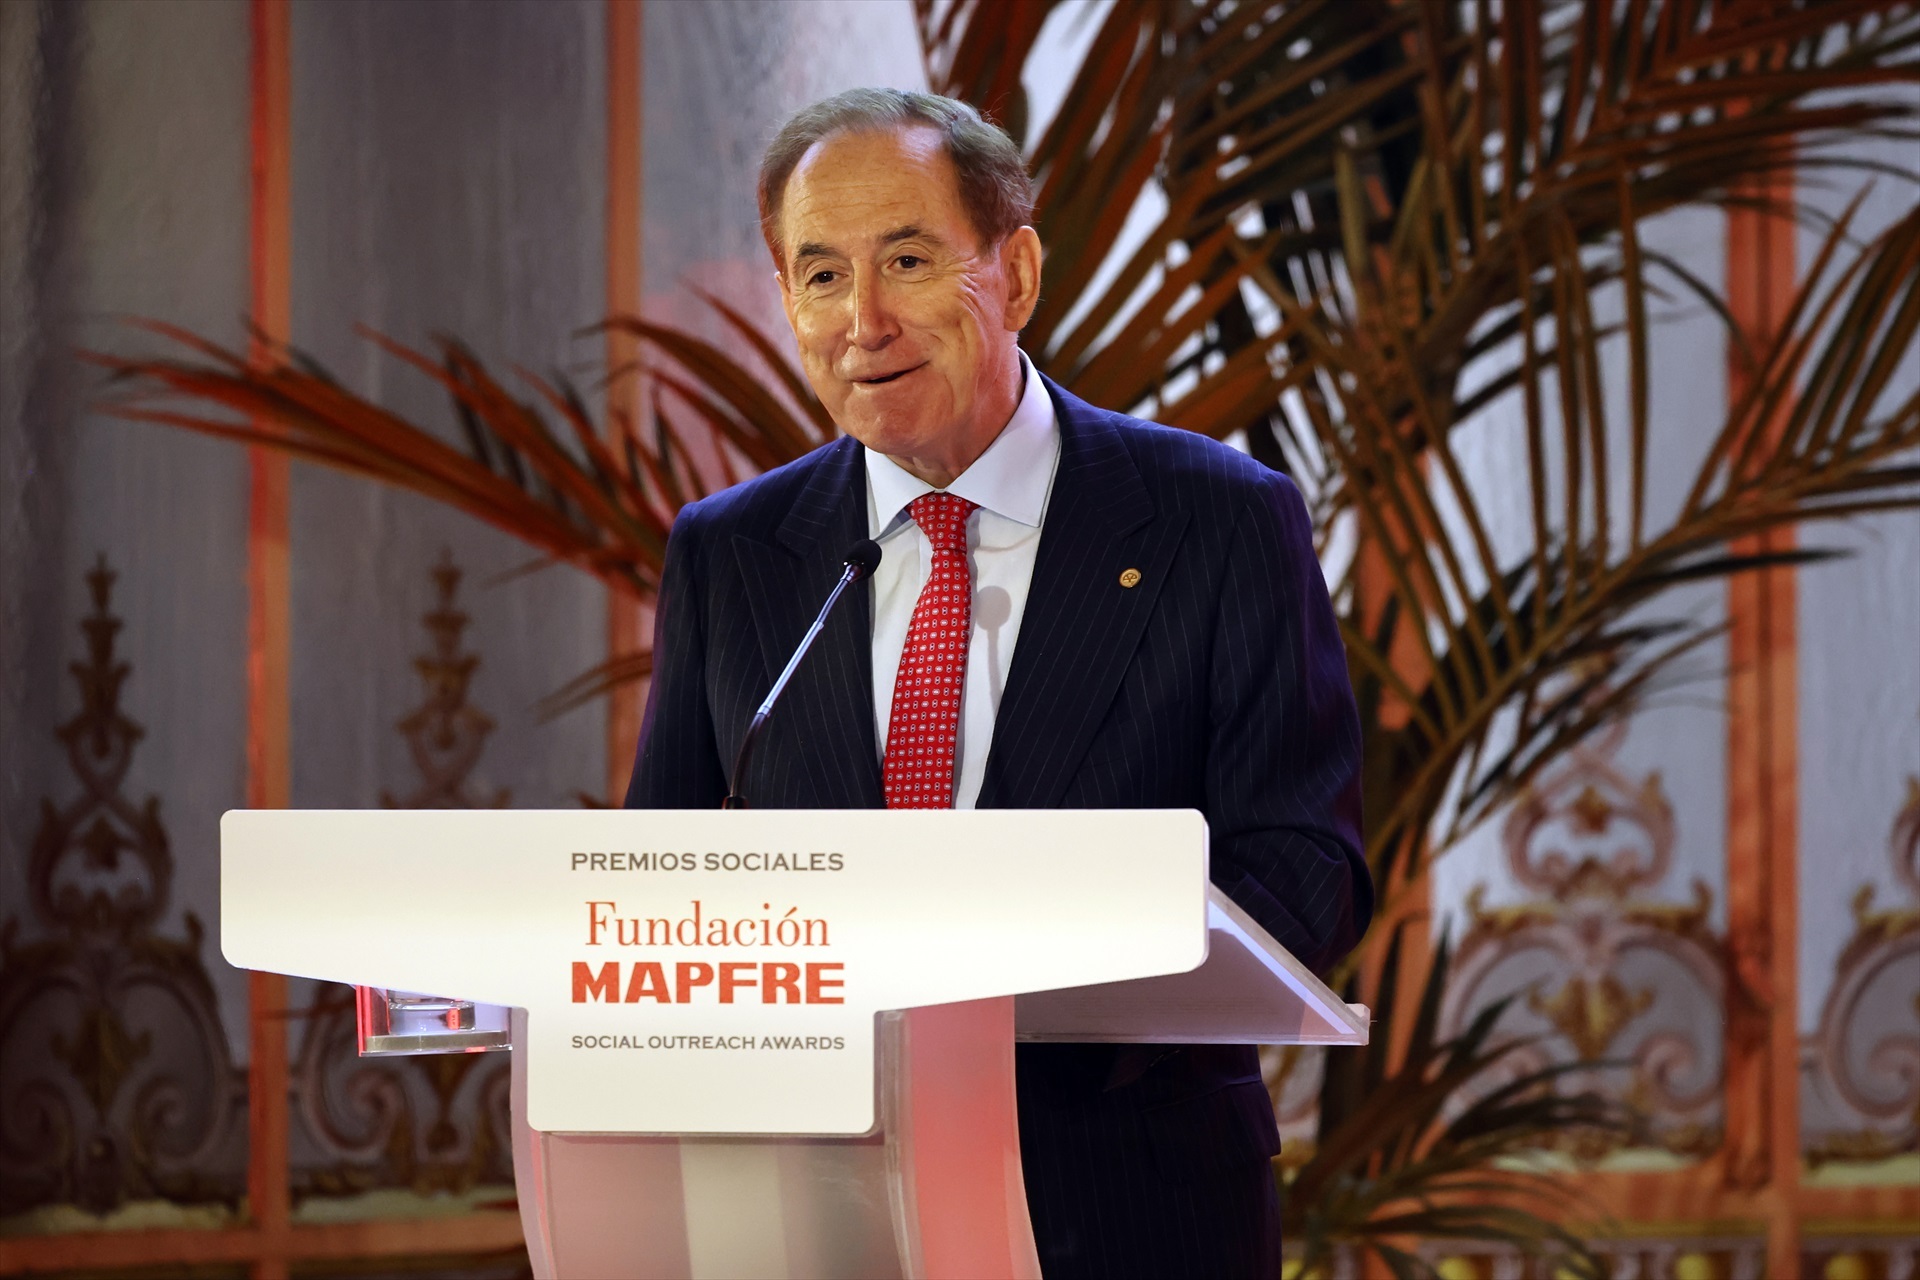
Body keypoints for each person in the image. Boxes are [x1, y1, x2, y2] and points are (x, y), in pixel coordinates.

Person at [627, 88, 1370, 1279]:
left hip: (1126, 1202)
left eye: (907, 260)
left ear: (1014, 276)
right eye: (819, 277)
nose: (862, 321)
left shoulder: (1217, 520)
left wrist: (1032, 970)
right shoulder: (733, 553)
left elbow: (1306, 873)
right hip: (803, 1212)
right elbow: (661, 884)